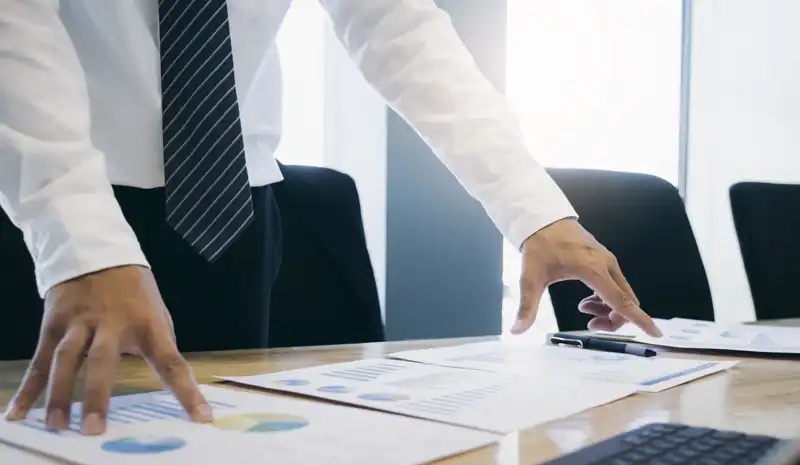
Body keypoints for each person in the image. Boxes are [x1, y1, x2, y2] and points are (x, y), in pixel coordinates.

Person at [1, 0, 660, 436]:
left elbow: (395, 24)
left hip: (229, 209)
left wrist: (535, 210)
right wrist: (79, 239)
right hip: (44, 199)